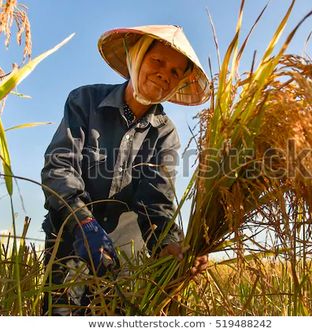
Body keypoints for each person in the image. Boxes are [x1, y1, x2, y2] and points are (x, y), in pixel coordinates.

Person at [40, 25, 210, 315]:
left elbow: (156, 202)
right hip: (69, 238)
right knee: (62, 312)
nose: (163, 74)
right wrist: (83, 223)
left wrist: (171, 247)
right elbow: (59, 167)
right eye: (157, 62)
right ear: (137, 57)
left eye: (174, 72)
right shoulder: (85, 102)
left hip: (125, 254)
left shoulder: (165, 134)